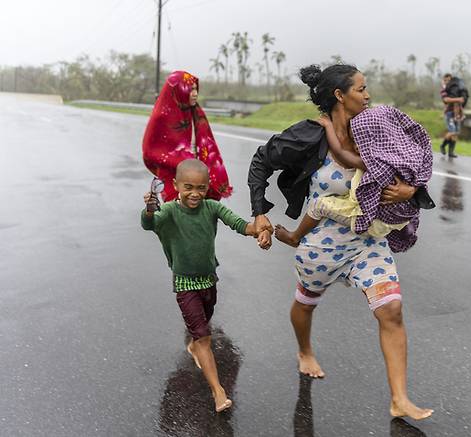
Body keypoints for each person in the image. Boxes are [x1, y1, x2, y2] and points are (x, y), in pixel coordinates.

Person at [248, 64, 433, 420]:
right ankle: (304, 350)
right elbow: (261, 160)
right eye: (361, 89)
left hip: (367, 242)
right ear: (339, 95)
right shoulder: (309, 134)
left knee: (391, 310)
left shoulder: (378, 129)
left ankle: (399, 399)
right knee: (306, 302)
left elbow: (411, 167)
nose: (368, 95)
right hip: (322, 243)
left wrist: (411, 190)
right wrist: (259, 212)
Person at [141, 159, 270, 413]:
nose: (194, 193)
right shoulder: (169, 211)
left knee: (205, 320)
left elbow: (241, 225)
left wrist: (261, 231)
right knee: (204, 337)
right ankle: (218, 391)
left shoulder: (211, 207)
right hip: (185, 282)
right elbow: (150, 224)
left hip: (209, 280)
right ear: (176, 184)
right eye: (188, 187)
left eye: (200, 188)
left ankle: (195, 343)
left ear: (208, 186)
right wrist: (148, 209)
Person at [274, 105, 435, 254]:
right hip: (397, 218)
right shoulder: (401, 158)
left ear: (376, 139)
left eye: (359, 140)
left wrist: (329, 126)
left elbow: (341, 153)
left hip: (374, 221)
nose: (356, 147)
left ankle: (294, 237)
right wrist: (413, 190)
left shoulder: (375, 163)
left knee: (319, 205)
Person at [143, 70, 232, 202]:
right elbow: (150, 151)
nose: (195, 94)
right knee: (178, 217)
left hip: (199, 175)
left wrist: (199, 168)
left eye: (196, 89)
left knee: (203, 217)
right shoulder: (161, 117)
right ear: (178, 91)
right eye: (190, 90)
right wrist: (182, 161)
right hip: (174, 177)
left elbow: (206, 145)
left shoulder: (196, 113)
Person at [439, 73, 466, 158]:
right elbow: (446, 100)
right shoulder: (444, 90)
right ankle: (442, 146)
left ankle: (451, 152)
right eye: (446, 80)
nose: (448, 82)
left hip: (457, 113)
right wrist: (458, 99)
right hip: (449, 113)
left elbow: (460, 103)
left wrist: (462, 113)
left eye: (449, 80)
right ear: (443, 81)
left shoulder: (456, 89)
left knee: (456, 133)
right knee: (452, 131)